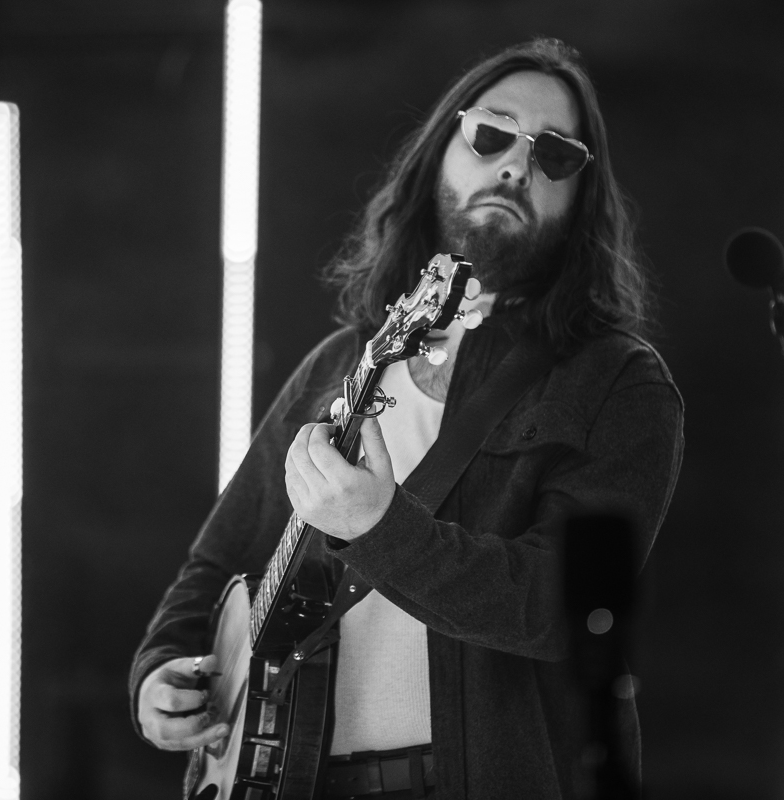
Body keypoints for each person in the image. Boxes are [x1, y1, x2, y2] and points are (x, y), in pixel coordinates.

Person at [130, 37, 684, 799]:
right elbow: (216, 562)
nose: (516, 166)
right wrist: (157, 679)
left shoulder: (619, 382)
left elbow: (566, 609)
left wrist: (380, 528)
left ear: (581, 198)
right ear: (438, 157)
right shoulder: (342, 361)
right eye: (492, 134)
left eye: (556, 156)